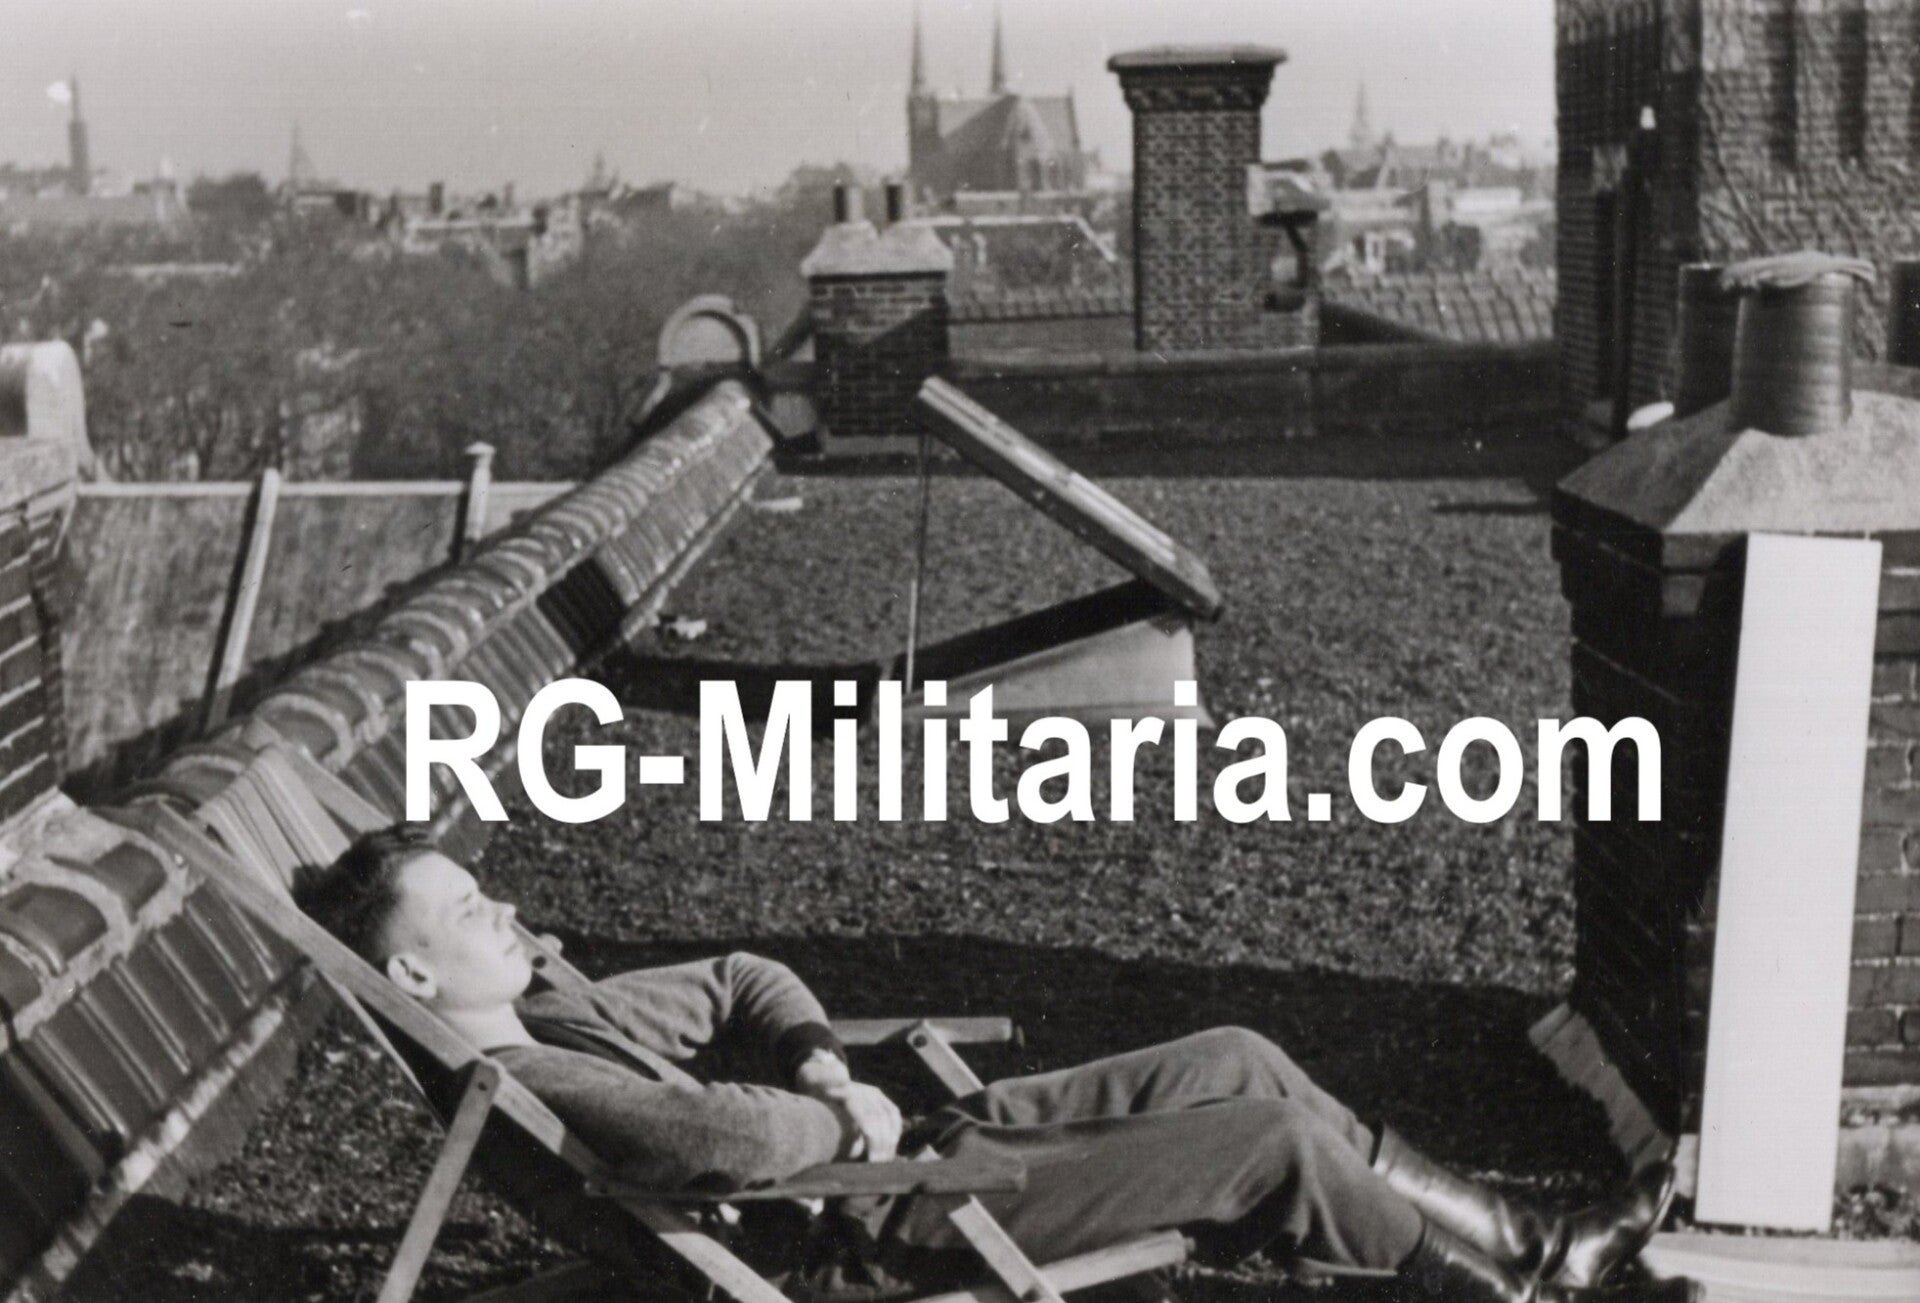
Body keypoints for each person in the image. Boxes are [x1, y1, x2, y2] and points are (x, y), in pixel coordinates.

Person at [297, 828, 1678, 1303]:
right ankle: (1510, 1292)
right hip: (880, 1220)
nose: (502, 912)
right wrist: (823, 1108)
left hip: (906, 1148)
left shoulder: (559, 1006)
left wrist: (832, 1068)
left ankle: (1539, 1244)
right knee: (1266, 1138)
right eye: (466, 910)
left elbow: (743, 980)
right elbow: (737, 1147)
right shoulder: (533, 1083)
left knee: (1234, 1050)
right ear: (413, 976)